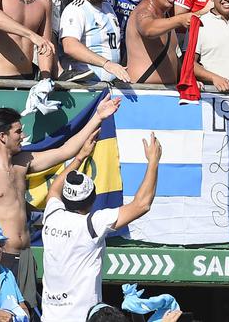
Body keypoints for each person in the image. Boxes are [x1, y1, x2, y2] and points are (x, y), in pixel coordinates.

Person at [0, 98, 120, 312]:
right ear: (2, 137)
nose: (22, 136)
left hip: (25, 256)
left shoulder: (22, 163)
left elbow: (66, 150)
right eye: (18, 131)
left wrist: (98, 117)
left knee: (26, 313)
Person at [40, 133, 162, 322]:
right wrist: (153, 161)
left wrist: (80, 156)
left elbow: (55, 188)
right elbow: (142, 204)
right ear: (93, 199)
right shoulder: (91, 225)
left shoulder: (52, 216)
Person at [60, 0, 129, 81]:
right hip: (86, 86)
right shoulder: (75, 9)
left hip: (110, 86)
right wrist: (106, 64)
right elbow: (70, 46)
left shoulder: (108, 8)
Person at [126, 0, 196, 83]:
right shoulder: (142, 12)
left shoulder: (166, 17)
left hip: (168, 91)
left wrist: (188, 80)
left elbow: (174, 58)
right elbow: (148, 29)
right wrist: (179, 20)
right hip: (143, 91)